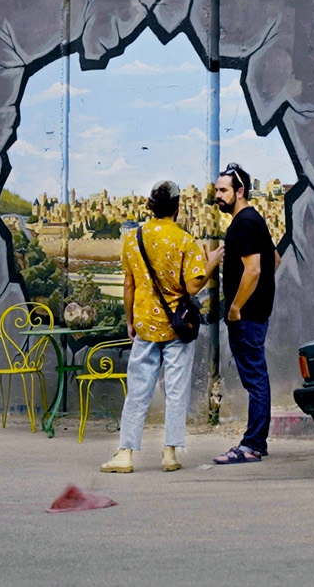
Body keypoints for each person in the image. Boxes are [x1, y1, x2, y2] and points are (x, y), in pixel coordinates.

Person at [100, 181, 211, 474]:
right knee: (176, 390)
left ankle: (125, 454)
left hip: (145, 324)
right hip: (177, 327)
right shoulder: (185, 241)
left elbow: (128, 284)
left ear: (150, 206)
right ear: (177, 207)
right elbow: (193, 285)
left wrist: (129, 320)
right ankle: (170, 452)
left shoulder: (133, 238)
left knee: (138, 390)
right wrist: (211, 264)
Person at [205, 163, 277, 464]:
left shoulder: (244, 223)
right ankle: (256, 442)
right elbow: (276, 260)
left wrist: (236, 307)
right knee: (256, 378)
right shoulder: (254, 220)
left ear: (240, 191)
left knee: (256, 380)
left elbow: (256, 268)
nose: (218, 196)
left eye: (223, 191)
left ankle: (252, 445)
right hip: (255, 314)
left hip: (246, 317)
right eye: (217, 191)